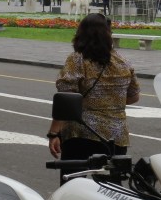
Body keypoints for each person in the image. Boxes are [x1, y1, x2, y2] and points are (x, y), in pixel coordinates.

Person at [47, 13, 140, 180]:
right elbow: (133, 97)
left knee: (73, 188)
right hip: (115, 137)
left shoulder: (78, 60)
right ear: (108, 34)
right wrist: (109, 102)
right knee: (110, 192)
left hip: (81, 134)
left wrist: (54, 133)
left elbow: (66, 97)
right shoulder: (123, 62)